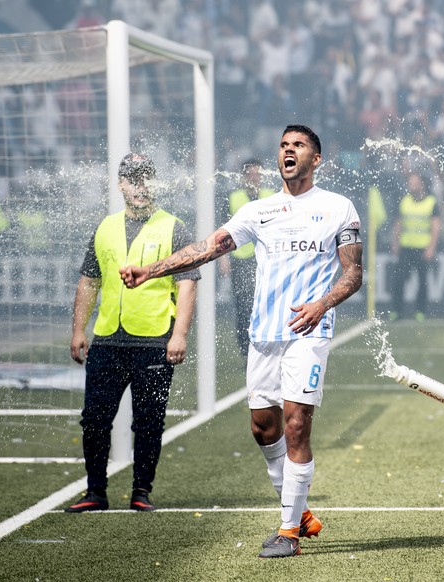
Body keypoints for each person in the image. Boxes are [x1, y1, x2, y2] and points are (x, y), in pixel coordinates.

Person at [119, 125, 364, 558]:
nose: (288, 151)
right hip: (263, 335)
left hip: (308, 333)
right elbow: (209, 247)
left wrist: (322, 305)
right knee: (262, 428)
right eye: (284, 145)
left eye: (298, 145)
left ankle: (288, 531)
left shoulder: (338, 208)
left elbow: (353, 273)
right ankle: (300, 511)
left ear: (317, 159)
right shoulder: (260, 211)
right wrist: (151, 270)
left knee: (296, 424)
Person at [66, 153, 199, 513]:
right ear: (121, 184)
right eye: (132, 180)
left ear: (155, 183)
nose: (140, 187)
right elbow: (89, 280)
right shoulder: (105, 227)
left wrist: (180, 334)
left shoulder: (174, 227)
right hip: (108, 339)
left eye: (146, 179)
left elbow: (188, 282)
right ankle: (96, 492)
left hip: (155, 340)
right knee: (94, 419)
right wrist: (79, 329)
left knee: (149, 421)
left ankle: (142, 490)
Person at [219, 159, 275, 357]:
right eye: (249, 174)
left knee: (265, 302)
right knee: (243, 304)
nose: (253, 178)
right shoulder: (233, 197)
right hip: (241, 258)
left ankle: (264, 345)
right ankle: (245, 349)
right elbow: (224, 229)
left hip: (266, 259)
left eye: (256, 174)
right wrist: (223, 258)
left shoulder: (272, 197)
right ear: (243, 178)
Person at [390, 170, 441, 321]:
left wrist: (431, 248)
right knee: (399, 280)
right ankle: (397, 311)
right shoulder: (404, 200)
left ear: (422, 184)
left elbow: (435, 227)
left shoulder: (431, 202)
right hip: (406, 246)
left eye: (414, 182)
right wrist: (395, 242)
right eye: (410, 182)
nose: (410, 185)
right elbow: (398, 223)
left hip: (422, 248)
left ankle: (421, 311)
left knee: (422, 281)